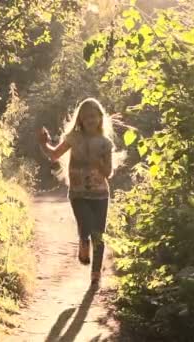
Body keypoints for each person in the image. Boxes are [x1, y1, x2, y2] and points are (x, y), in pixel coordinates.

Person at [37, 98, 117, 285]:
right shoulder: (74, 138)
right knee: (86, 226)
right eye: (86, 116)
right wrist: (43, 143)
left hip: (101, 194)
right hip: (78, 193)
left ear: (100, 118)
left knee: (99, 234)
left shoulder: (105, 143)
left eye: (94, 116)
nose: (90, 119)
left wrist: (98, 163)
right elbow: (54, 154)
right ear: (80, 119)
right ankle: (83, 241)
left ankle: (96, 274)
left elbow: (109, 173)